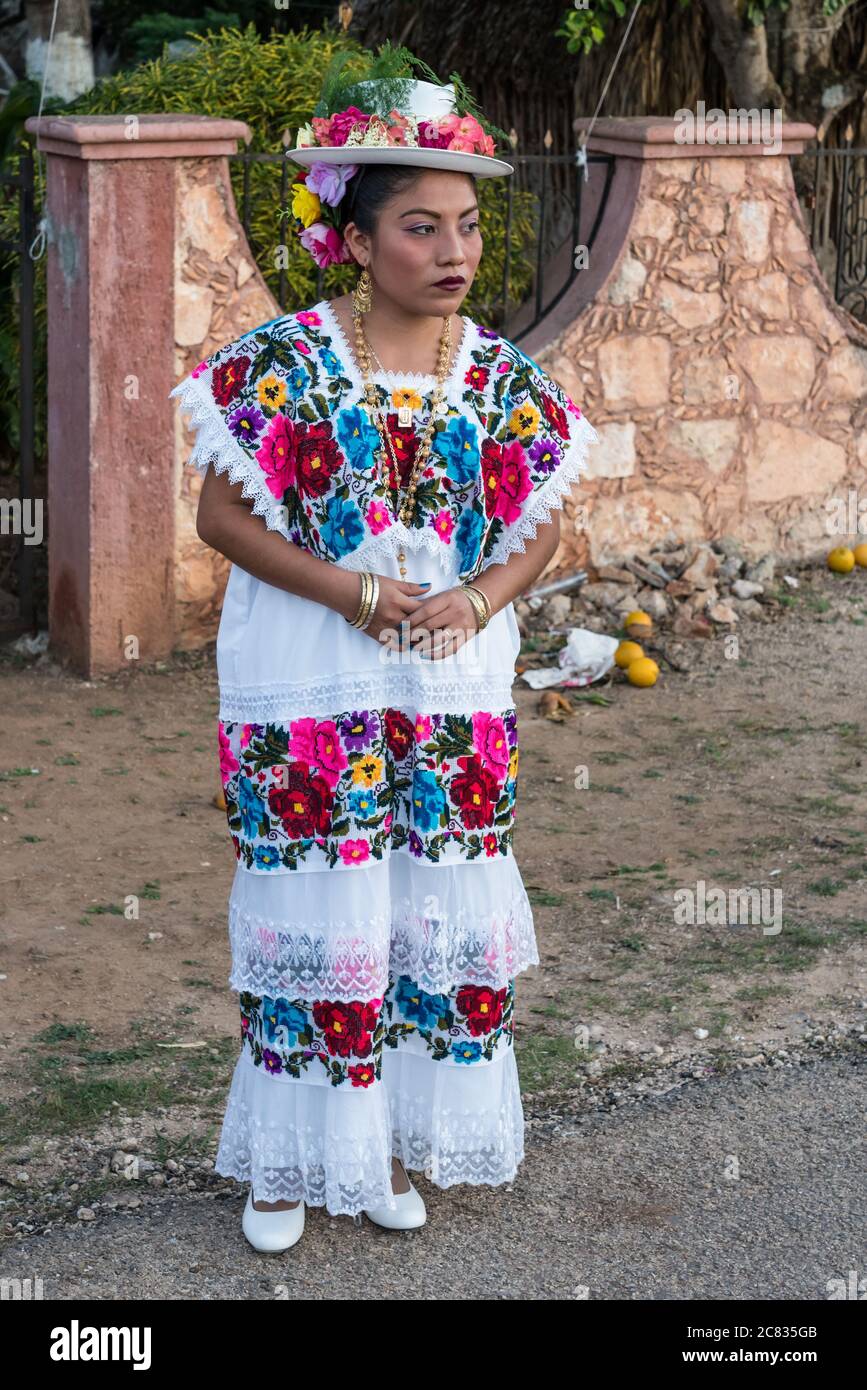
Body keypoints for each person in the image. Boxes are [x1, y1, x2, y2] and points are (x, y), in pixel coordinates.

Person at [169, 60, 598, 1253]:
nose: (452, 248)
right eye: (420, 225)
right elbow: (222, 520)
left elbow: (542, 524)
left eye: (465, 224)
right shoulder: (284, 365)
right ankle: (284, 1167)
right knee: (321, 903)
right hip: (316, 679)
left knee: (416, 909)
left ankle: (373, 1153)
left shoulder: (497, 378)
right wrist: (357, 592)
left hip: (450, 690)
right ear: (354, 241)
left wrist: (479, 592)